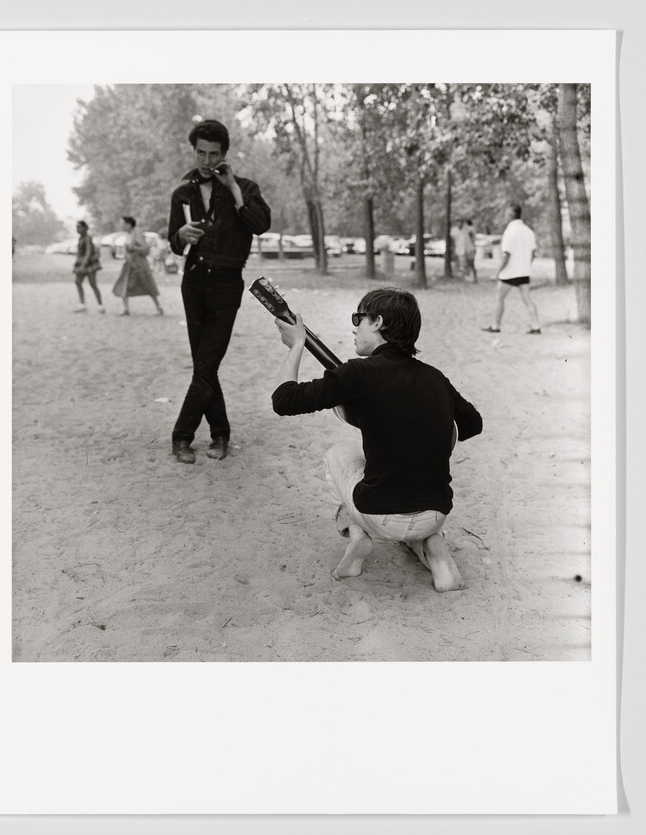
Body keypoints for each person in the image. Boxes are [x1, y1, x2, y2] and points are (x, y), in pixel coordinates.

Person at [272, 287, 483, 592]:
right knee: (399, 470)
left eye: (360, 317)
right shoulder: (435, 377)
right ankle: (434, 551)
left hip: (379, 516)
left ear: (379, 322)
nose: (354, 326)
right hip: (436, 513)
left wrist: (297, 346)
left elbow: (284, 400)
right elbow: (472, 425)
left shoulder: (357, 374)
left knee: (339, 453)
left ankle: (358, 536)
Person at [168, 118, 271, 464]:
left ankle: (182, 436)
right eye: (201, 153)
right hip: (194, 282)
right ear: (193, 151)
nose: (207, 160)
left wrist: (236, 192)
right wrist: (181, 236)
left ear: (225, 154)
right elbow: (174, 245)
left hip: (227, 284)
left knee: (206, 363)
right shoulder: (182, 192)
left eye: (214, 154)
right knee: (204, 365)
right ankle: (220, 434)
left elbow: (261, 224)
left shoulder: (245, 187)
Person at [482, 204, 541, 334]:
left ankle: (495, 325)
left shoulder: (510, 231)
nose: (504, 216)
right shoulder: (528, 231)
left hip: (509, 273)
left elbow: (506, 254)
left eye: (506, 214)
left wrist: (498, 272)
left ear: (511, 215)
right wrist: (527, 265)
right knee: (527, 299)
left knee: (499, 297)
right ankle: (536, 326)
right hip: (524, 272)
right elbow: (534, 252)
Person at [111, 216, 163, 316]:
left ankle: (159, 307)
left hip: (139, 264)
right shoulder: (128, 235)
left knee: (148, 285)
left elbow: (145, 248)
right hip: (130, 263)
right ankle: (126, 309)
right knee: (124, 284)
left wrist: (133, 248)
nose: (122, 226)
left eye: (123, 224)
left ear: (129, 224)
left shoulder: (137, 233)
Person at [72, 221, 104, 313]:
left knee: (93, 284)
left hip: (88, 264)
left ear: (84, 228)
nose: (77, 229)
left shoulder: (87, 238)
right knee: (78, 282)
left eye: (79, 227)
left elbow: (88, 252)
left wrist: (83, 264)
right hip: (82, 262)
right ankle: (82, 304)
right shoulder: (81, 238)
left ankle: (100, 305)